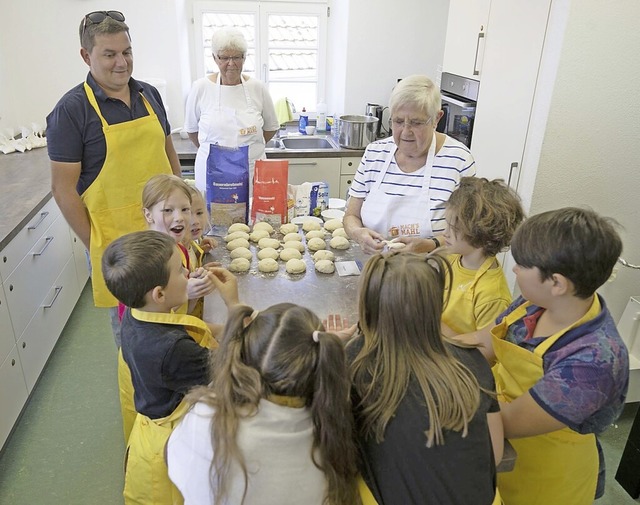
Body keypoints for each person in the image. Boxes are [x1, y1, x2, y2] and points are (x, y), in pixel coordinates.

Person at [458, 207, 629, 505]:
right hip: (496, 445)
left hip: (546, 477)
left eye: (522, 265)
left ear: (557, 283)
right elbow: (483, 344)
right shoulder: (533, 304)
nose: (514, 270)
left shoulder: (593, 361)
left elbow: (507, 422)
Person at [47, 11, 182, 345]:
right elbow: (62, 190)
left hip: (165, 235)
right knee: (135, 337)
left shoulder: (149, 95)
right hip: (119, 249)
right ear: (86, 55)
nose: (122, 63)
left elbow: (169, 156)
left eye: (127, 52)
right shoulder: (71, 110)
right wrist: (98, 244)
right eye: (109, 54)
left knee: (177, 316)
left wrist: (184, 212)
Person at [346, 251, 503, 505]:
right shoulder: (472, 360)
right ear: (437, 307)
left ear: (368, 305)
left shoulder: (355, 361)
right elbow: (494, 454)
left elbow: (339, 454)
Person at [166, 303, 361, 505]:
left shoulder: (207, 416)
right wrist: (325, 351)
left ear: (244, 353)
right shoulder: (329, 438)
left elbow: (171, 457)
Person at [102, 230, 238, 505]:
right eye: (180, 270)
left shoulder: (138, 311)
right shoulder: (174, 352)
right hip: (168, 455)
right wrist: (234, 306)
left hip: (149, 430)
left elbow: (184, 327)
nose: (189, 272)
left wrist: (222, 328)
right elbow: (233, 367)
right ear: (160, 294)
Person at [344, 75, 476, 255]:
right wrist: (358, 233)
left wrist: (431, 245)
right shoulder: (375, 153)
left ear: (437, 118)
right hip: (375, 269)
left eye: (416, 123)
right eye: (398, 121)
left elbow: (469, 231)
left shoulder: (459, 160)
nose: (406, 132)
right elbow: (351, 216)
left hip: (431, 272)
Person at [184, 27, 279, 195]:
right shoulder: (201, 88)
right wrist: (221, 156)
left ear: (244, 57)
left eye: (236, 57)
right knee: (212, 217)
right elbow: (192, 130)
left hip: (251, 171)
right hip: (212, 173)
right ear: (214, 57)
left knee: (252, 217)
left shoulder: (257, 88)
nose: (231, 63)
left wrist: (249, 148)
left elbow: (271, 127)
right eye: (224, 57)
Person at [441, 177, 525, 335]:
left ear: (480, 233)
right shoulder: (451, 258)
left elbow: (483, 354)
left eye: (453, 228)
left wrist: (433, 326)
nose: (444, 233)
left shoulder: (492, 294)